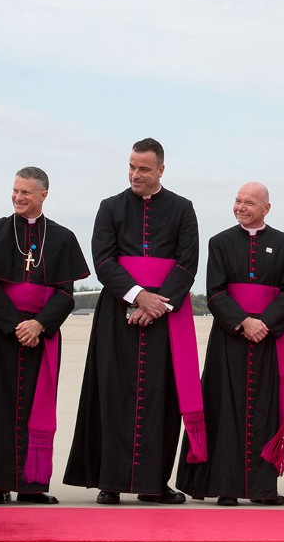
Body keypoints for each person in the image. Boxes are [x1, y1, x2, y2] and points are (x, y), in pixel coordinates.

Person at [65, 137, 203, 505]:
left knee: (161, 397)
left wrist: (158, 304)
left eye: (143, 168)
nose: (135, 174)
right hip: (117, 314)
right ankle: (109, 481)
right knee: (112, 394)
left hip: (166, 317)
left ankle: (153, 483)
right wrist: (139, 296)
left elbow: (188, 262)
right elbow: (104, 260)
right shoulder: (110, 207)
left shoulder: (182, 208)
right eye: (131, 167)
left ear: (161, 169)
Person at [0, 167, 88, 503]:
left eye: (25, 192)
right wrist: (16, 324)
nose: (17, 197)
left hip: (41, 336)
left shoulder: (62, 238)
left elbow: (66, 293)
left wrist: (40, 324)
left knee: (36, 409)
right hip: (1, 335)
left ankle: (31, 486)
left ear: (44, 194)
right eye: (15, 191)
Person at [177, 183, 284, 504]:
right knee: (224, 409)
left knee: (265, 410)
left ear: (266, 208)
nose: (241, 207)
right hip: (229, 339)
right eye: (237, 201)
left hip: (268, 339)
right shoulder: (220, 243)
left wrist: (265, 323)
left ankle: (262, 489)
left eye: (249, 202)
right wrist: (244, 322)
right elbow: (215, 292)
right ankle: (225, 487)